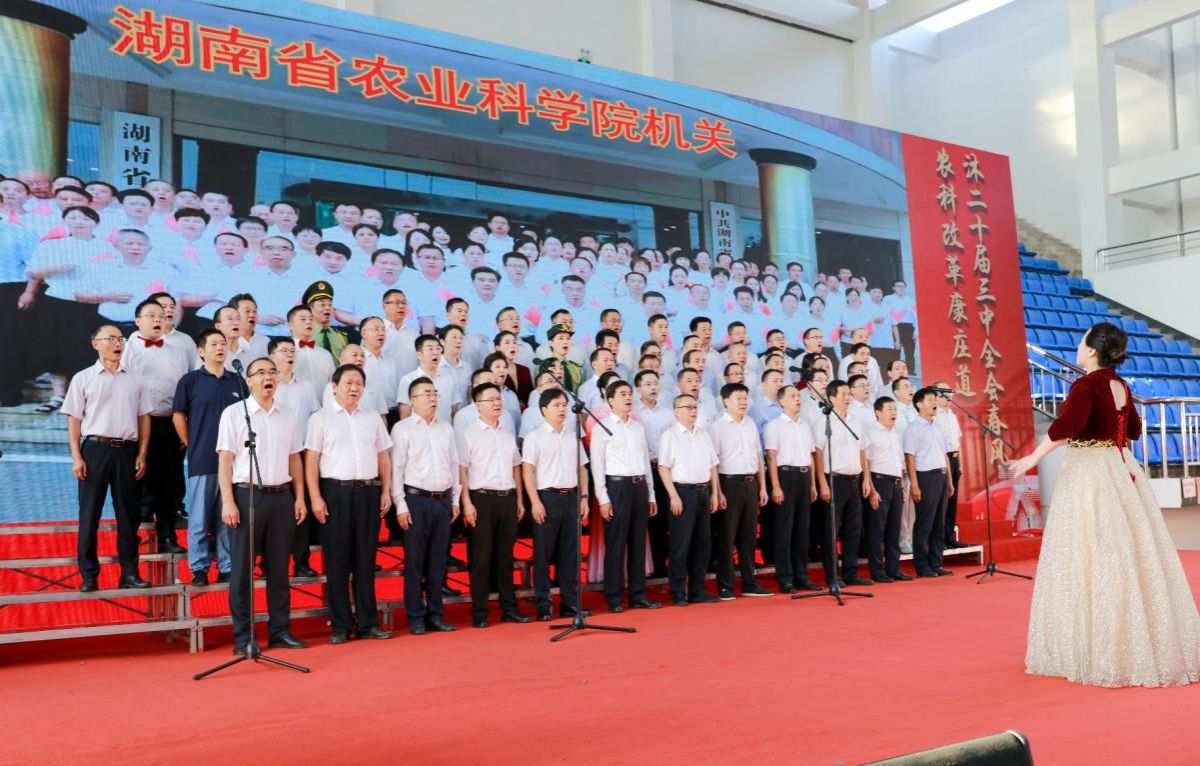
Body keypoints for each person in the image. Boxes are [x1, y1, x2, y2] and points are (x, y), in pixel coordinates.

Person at [1010, 322, 1200, 687]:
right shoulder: (1121, 386)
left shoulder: (1085, 385)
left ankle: (1096, 647)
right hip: (1119, 466)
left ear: (1092, 350)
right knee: (1126, 554)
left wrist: (1031, 458)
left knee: (1087, 555)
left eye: (1082, 342)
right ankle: (1136, 643)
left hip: (1089, 473)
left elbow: (1067, 425)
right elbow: (1134, 431)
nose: (1077, 346)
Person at [216, 356, 308, 654]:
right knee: (242, 571)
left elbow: (294, 457)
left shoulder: (288, 415)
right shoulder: (234, 414)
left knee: (279, 569)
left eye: (272, 372)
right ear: (249, 380)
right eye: (261, 373)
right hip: (247, 496)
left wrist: (300, 497)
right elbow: (225, 460)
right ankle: (244, 637)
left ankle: (280, 630)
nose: (268, 377)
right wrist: (228, 501)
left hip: (281, 497)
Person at [304, 364, 394, 644]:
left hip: (368, 492)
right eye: (348, 383)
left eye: (359, 384)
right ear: (334, 386)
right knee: (337, 562)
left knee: (366, 561)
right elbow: (311, 461)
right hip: (335, 493)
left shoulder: (372, 417)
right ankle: (341, 625)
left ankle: (368, 623)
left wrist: (386, 491)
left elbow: (383, 457)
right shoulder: (320, 418)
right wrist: (315, 497)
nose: (354, 388)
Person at [64, 325, 153, 592]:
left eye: (120, 339)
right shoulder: (83, 378)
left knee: (129, 515)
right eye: (111, 339)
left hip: (127, 450)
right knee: (89, 514)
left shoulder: (136, 379)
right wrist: (77, 457)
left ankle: (130, 573)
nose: (117, 343)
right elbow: (74, 420)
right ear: (96, 344)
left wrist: (142, 453)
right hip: (95, 449)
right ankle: (89, 575)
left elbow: (144, 418)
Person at [390, 376, 460, 635]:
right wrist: (400, 504)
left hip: (442, 500)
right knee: (415, 562)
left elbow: (454, 464)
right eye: (427, 394)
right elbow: (396, 469)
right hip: (415, 500)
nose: (433, 398)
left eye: (435, 393)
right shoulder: (403, 429)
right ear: (413, 400)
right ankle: (416, 616)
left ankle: (436, 614)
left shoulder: (446, 428)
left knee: (437, 562)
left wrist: (455, 499)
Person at [173, 328, 243, 585]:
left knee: (228, 517)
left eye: (223, 344)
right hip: (203, 459)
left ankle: (226, 566)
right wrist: (191, 443)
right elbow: (178, 415)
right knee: (199, 517)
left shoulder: (238, 381)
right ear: (201, 352)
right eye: (214, 344)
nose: (220, 348)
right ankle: (199, 568)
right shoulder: (190, 381)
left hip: (235, 462)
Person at [120, 298, 190, 553]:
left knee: (167, 483)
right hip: (136, 422)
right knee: (134, 481)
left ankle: (167, 537)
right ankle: (130, 540)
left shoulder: (177, 352)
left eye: (161, 316)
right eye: (152, 315)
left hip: (168, 421)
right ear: (138, 321)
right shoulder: (127, 349)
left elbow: (184, 390)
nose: (158, 320)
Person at [457, 382, 529, 628]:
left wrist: (519, 499)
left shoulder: (507, 433)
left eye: (499, 399)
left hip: (507, 497)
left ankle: (509, 608)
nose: (497, 403)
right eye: (491, 399)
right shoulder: (469, 434)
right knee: (481, 558)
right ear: (478, 405)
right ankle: (480, 612)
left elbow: (516, 467)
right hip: (481, 498)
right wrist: (467, 503)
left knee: (505, 557)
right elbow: (462, 470)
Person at [590, 379, 660, 612]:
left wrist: (651, 494)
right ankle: (614, 597)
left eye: (629, 393)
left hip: (639, 486)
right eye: (622, 394)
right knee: (616, 544)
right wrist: (603, 498)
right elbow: (597, 465)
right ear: (610, 400)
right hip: (616, 487)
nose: (628, 397)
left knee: (639, 543)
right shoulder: (601, 428)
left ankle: (638, 594)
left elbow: (645, 462)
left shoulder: (638, 427)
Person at [522, 388, 590, 621]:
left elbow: (582, 468)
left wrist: (584, 498)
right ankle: (543, 604)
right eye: (556, 405)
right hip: (547, 498)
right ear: (544, 409)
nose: (562, 409)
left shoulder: (573, 435)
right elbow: (528, 471)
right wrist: (535, 502)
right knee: (543, 554)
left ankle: (570, 603)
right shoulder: (535, 437)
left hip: (571, 497)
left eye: (564, 405)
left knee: (571, 554)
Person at [656, 393, 721, 606]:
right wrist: (673, 495)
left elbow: (713, 466)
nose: (693, 411)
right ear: (676, 411)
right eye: (688, 407)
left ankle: (698, 590)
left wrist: (715, 493)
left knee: (702, 544)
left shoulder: (703, 434)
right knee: (680, 544)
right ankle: (677, 591)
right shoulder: (670, 436)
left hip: (703, 491)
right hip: (682, 492)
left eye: (695, 407)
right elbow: (663, 467)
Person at [709, 383, 772, 599]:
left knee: (749, 536)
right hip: (729, 484)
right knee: (727, 537)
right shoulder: (717, 427)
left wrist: (763, 487)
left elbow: (758, 456)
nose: (743, 402)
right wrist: (717, 492)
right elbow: (713, 463)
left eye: (745, 398)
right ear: (726, 401)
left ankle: (749, 582)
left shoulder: (751, 423)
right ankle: (726, 585)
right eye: (739, 398)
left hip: (751, 483)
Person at [813, 380, 874, 587]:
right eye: (843, 394)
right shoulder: (824, 422)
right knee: (831, 531)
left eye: (849, 394)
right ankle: (833, 576)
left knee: (853, 530)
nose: (848, 398)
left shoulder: (855, 420)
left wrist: (866, 479)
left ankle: (851, 573)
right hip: (834, 480)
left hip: (854, 480)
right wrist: (822, 483)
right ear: (831, 398)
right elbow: (817, 454)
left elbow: (862, 450)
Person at [764, 384, 822, 593]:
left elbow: (811, 456)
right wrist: (776, 486)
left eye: (798, 395)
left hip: (805, 476)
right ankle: (786, 578)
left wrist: (813, 484)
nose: (798, 399)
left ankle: (802, 576)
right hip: (785, 476)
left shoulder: (805, 425)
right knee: (785, 530)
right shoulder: (774, 426)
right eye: (792, 396)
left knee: (802, 530)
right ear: (781, 401)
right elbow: (771, 457)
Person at [904, 387, 954, 578]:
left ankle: (936, 563)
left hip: (941, 476)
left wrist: (949, 481)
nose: (935, 403)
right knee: (925, 523)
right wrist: (915, 485)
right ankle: (922, 565)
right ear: (919, 404)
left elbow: (945, 455)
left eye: (935, 399)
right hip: (925, 477)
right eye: (930, 400)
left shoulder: (937, 427)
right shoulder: (913, 428)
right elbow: (909, 458)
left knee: (939, 523)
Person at [863, 396, 910, 583]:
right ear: (878, 412)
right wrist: (872, 489)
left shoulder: (895, 434)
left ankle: (894, 568)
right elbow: (866, 463)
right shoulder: (871, 433)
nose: (893, 412)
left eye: (895, 409)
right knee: (877, 530)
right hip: (879, 482)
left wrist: (902, 486)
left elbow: (898, 462)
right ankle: (877, 571)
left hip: (896, 483)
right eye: (889, 409)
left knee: (894, 529)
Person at [932, 382, 968, 549]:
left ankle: (949, 537)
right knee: (941, 503)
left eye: (949, 391)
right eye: (943, 391)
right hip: (941, 460)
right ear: (935, 395)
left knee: (952, 502)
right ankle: (938, 540)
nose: (948, 395)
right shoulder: (934, 416)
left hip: (954, 460)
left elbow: (956, 442)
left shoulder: (952, 415)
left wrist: (959, 464)